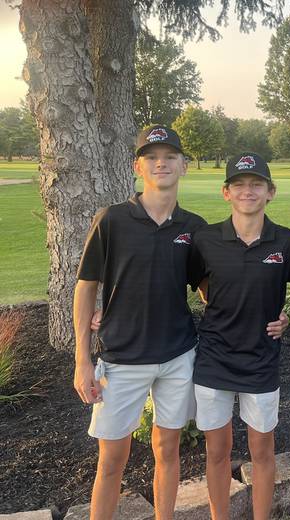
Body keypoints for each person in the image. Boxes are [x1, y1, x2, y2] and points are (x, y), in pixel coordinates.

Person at [73, 125, 207, 520]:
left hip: (177, 356)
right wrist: (82, 359)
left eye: (169, 156)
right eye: (152, 156)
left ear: (184, 165)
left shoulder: (193, 227)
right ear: (138, 166)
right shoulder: (112, 219)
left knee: (168, 450)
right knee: (112, 459)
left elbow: (207, 288)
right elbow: (85, 288)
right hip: (121, 358)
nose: (161, 162)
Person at [190, 152, 290, 520]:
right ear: (226, 192)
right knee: (217, 452)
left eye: (256, 184)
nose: (248, 191)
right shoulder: (206, 239)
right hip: (214, 359)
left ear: (270, 192)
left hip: (261, 360)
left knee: (262, 452)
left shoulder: (287, 243)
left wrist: (288, 316)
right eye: (239, 184)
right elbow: (200, 282)